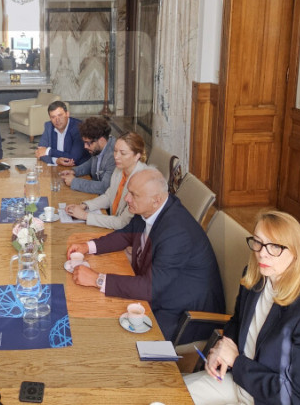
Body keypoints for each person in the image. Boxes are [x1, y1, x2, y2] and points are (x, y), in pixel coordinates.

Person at [184, 211, 300, 404]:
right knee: (167, 395)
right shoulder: (256, 278)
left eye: (275, 246)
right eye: (258, 242)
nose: (262, 253)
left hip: (272, 398)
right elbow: (238, 321)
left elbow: (298, 397)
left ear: (295, 253)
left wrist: (236, 361)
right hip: (244, 383)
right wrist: (223, 348)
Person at [66, 168, 224, 343]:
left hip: (182, 313)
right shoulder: (152, 209)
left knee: (115, 339)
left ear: (156, 200)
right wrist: (87, 246)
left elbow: (150, 288)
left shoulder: (177, 233)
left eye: (134, 195)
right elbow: (126, 234)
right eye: (128, 192)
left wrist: (97, 279)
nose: (127, 199)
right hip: (161, 289)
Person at [65, 132, 148, 230]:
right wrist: (85, 206)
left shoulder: (142, 180)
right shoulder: (119, 169)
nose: (116, 156)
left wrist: (84, 215)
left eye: (123, 153)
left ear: (137, 156)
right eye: (115, 151)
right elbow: (109, 196)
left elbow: (121, 223)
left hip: (127, 233)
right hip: (112, 224)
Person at [59, 117, 116, 194]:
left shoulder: (114, 155)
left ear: (101, 140)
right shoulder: (98, 148)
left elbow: (104, 187)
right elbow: (91, 163)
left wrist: (74, 182)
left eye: (88, 143)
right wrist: (74, 171)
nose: (85, 146)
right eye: (84, 142)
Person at [35, 101, 89, 166]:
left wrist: (49, 151)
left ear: (67, 114)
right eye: (53, 117)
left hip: (79, 168)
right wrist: (56, 161)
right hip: (57, 167)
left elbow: (74, 158)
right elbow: (40, 152)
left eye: (60, 115)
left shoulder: (78, 127)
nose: (57, 120)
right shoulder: (49, 126)